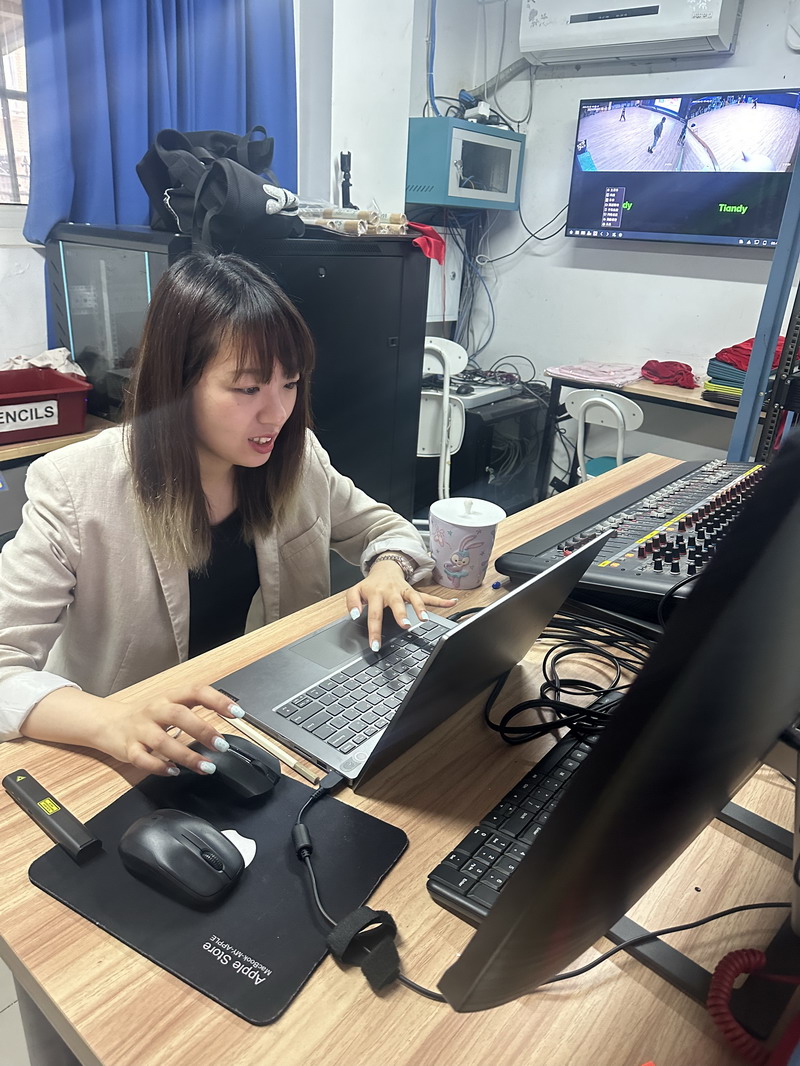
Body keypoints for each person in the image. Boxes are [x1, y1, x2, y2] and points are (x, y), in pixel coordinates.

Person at [0, 252, 455, 777]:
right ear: (178, 384)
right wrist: (109, 720)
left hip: (273, 723)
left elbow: (383, 527)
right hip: (135, 756)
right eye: (247, 389)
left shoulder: (297, 458)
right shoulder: (76, 486)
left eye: (290, 383)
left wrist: (387, 570)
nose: (277, 414)